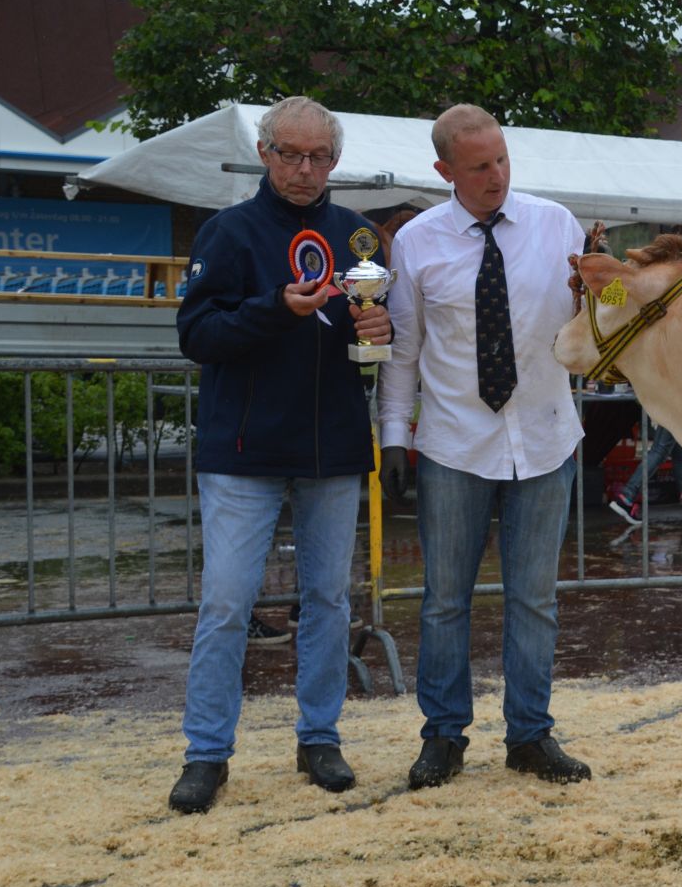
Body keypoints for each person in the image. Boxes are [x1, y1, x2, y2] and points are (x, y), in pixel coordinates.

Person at [168, 95, 392, 814]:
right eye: (291, 154)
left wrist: (381, 330)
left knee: (329, 601)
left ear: (335, 159)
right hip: (243, 450)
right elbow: (197, 335)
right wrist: (276, 309)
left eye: (319, 156)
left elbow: (370, 346)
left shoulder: (360, 237)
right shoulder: (227, 231)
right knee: (228, 602)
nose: (304, 169)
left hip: (331, 446)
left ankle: (319, 738)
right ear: (264, 153)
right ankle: (207, 753)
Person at [377, 104, 591, 789]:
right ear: (445, 171)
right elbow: (404, 350)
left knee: (535, 600)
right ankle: (443, 736)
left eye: (501, 159)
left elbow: (594, 318)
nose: (495, 175)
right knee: (444, 601)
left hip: (546, 438)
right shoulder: (415, 241)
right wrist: (392, 438)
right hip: (452, 443)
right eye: (478, 166)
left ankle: (530, 735)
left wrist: (605, 293)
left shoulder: (558, 225)